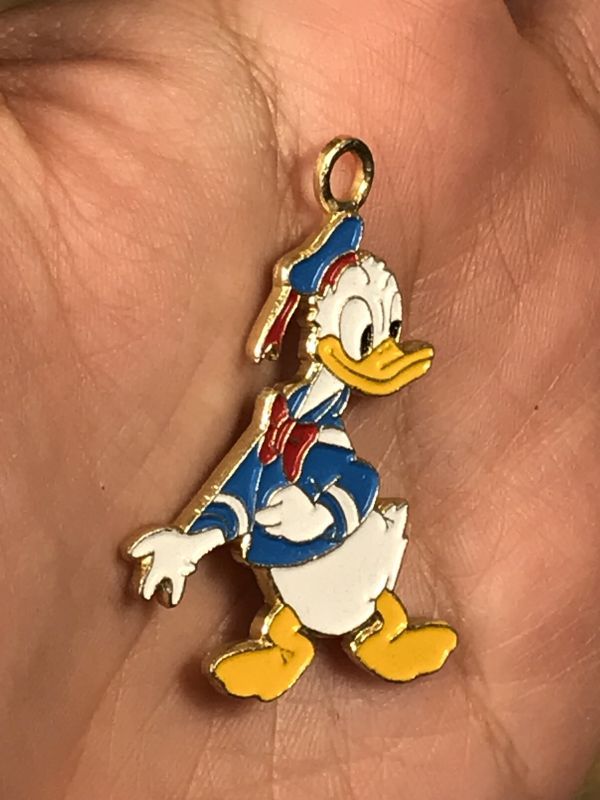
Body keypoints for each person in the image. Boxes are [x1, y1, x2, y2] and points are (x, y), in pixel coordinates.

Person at [0, 1, 597, 798]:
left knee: (359, 589)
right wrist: (186, 544)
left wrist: (328, 514)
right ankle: (282, 646)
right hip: (286, 563)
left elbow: (354, 481)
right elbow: (234, 484)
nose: (381, 348)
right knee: (291, 601)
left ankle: (378, 632)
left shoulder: (318, 427)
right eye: (366, 328)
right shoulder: (279, 421)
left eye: (384, 329)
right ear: (316, 331)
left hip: (333, 539)